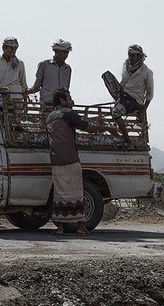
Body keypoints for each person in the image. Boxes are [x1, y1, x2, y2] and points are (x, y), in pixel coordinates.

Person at [45, 88, 106, 236]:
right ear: (62, 100)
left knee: (60, 194)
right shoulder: (68, 113)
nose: (72, 100)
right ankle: (80, 227)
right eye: (69, 97)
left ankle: (60, 227)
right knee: (76, 193)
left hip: (56, 159)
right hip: (70, 158)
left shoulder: (50, 117)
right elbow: (86, 127)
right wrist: (104, 128)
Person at [102, 44, 154, 148]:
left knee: (116, 112)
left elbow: (150, 93)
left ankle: (128, 141)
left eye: (135, 55)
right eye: (130, 55)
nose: (132, 58)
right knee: (106, 76)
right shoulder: (125, 66)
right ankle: (119, 102)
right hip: (124, 95)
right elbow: (123, 82)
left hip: (135, 100)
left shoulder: (147, 72)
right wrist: (118, 95)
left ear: (140, 57)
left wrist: (143, 110)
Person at [28, 40, 73, 112]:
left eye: (67, 53)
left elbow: (66, 89)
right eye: (64, 52)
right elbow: (37, 86)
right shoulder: (44, 65)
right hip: (47, 104)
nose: (66, 55)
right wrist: (27, 91)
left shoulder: (67, 69)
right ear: (56, 51)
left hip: (62, 106)